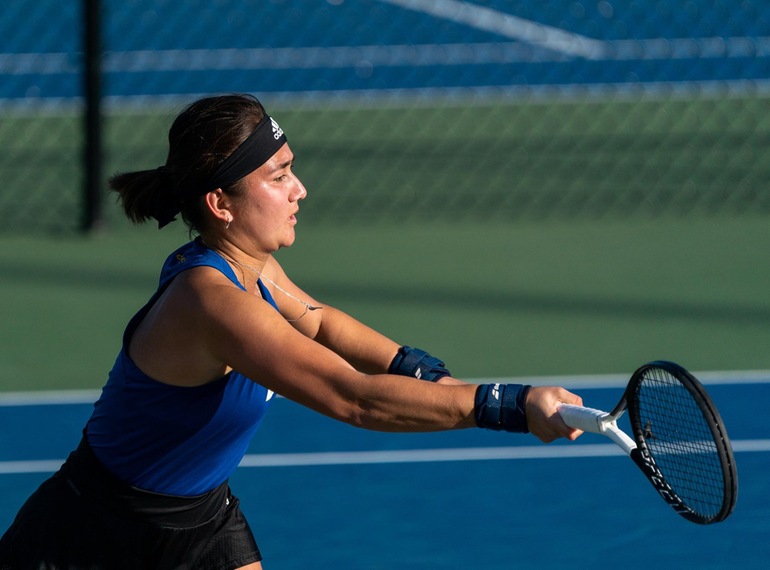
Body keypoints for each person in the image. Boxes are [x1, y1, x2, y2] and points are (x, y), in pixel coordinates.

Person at [0, 93, 583, 569]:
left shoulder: (252, 268)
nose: (299, 188)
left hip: (202, 519)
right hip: (93, 536)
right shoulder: (213, 304)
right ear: (220, 204)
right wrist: (508, 404)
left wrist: (431, 377)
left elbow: (324, 321)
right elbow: (352, 399)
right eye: (278, 177)